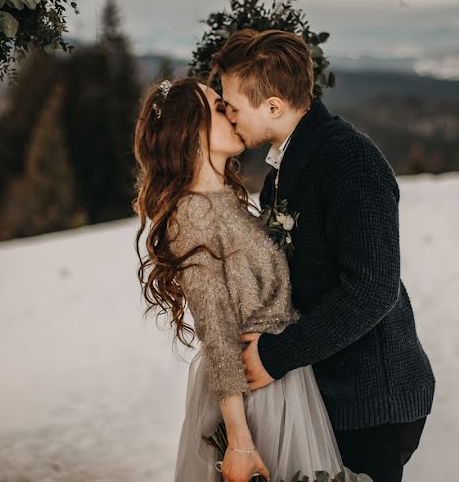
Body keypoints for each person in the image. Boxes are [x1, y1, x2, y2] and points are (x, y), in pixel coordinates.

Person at [212, 29, 436, 482]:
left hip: (372, 402)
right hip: (331, 391)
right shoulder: (285, 166)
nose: (228, 114)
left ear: (273, 106)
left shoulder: (350, 162)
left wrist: (277, 356)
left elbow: (373, 290)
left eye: (233, 105)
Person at [133, 77, 359, 482]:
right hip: (253, 395)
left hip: (281, 376)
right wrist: (239, 441)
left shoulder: (229, 199)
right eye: (219, 108)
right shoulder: (192, 214)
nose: (232, 114)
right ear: (191, 130)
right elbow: (217, 333)